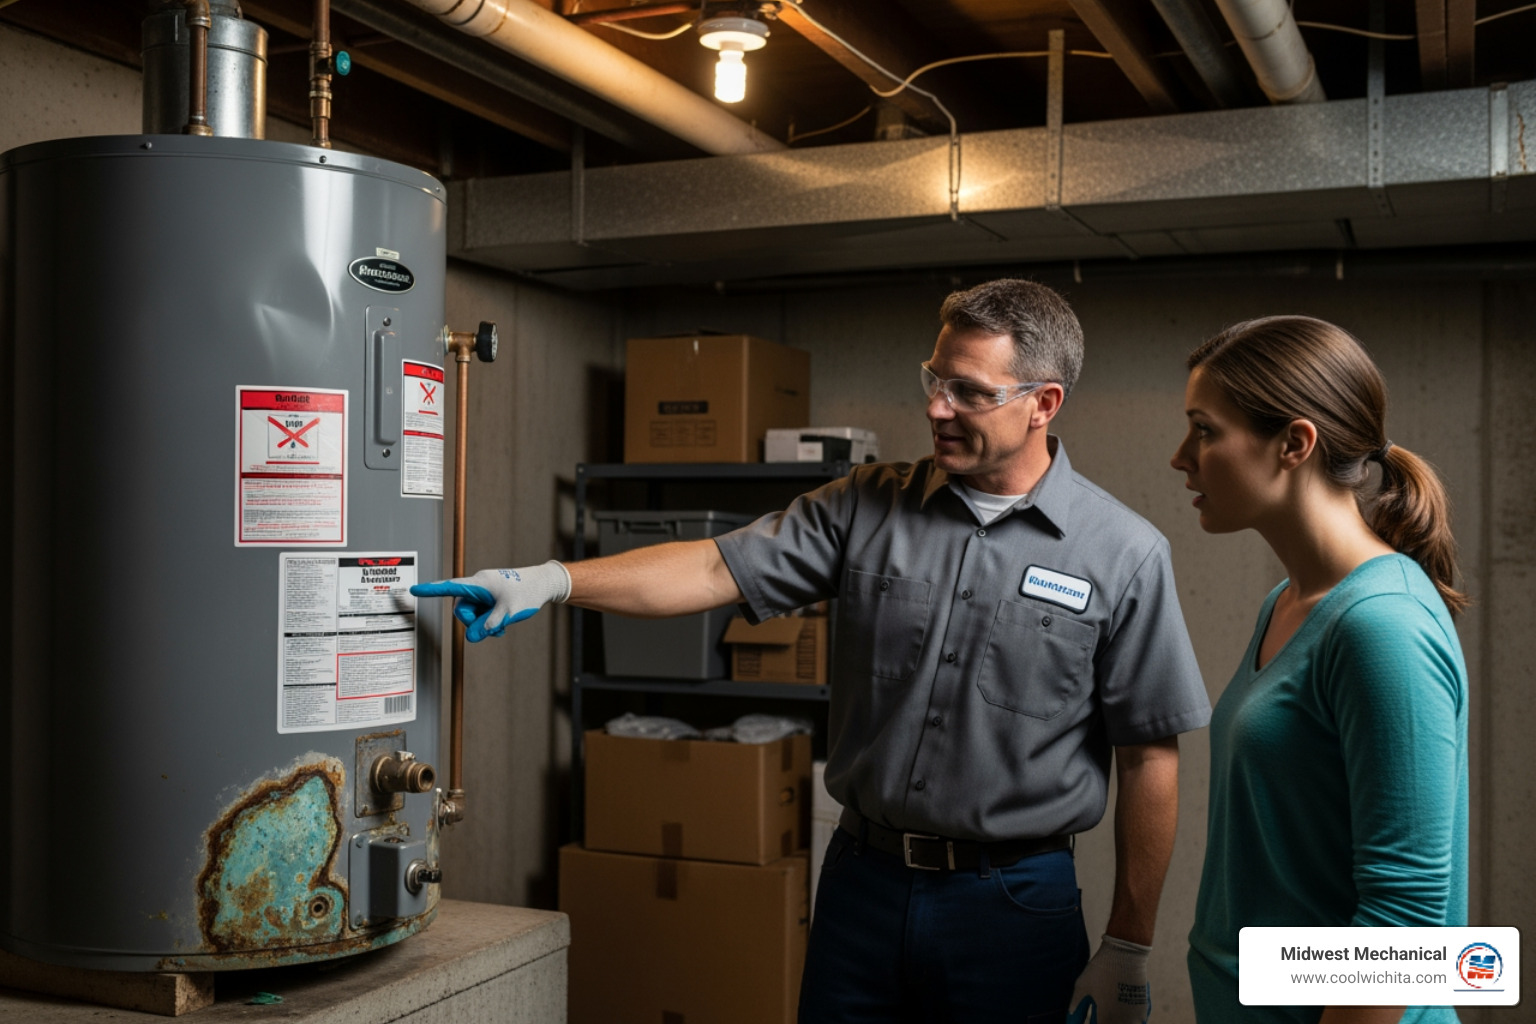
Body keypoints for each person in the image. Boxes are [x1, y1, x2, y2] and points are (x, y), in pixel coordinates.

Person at [415, 279, 1211, 1024]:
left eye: (969, 391)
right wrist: (550, 579)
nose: (937, 406)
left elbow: (1150, 756)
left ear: (1043, 403)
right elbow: (708, 565)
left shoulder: (1122, 554)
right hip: (863, 886)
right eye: (934, 378)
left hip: (1012, 903)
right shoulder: (864, 504)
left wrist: (1130, 943)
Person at [1171, 316, 1469, 1024]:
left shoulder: (1382, 626)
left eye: (1204, 430)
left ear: (1294, 444)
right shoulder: (1289, 600)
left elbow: (1402, 924)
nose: (1181, 457)